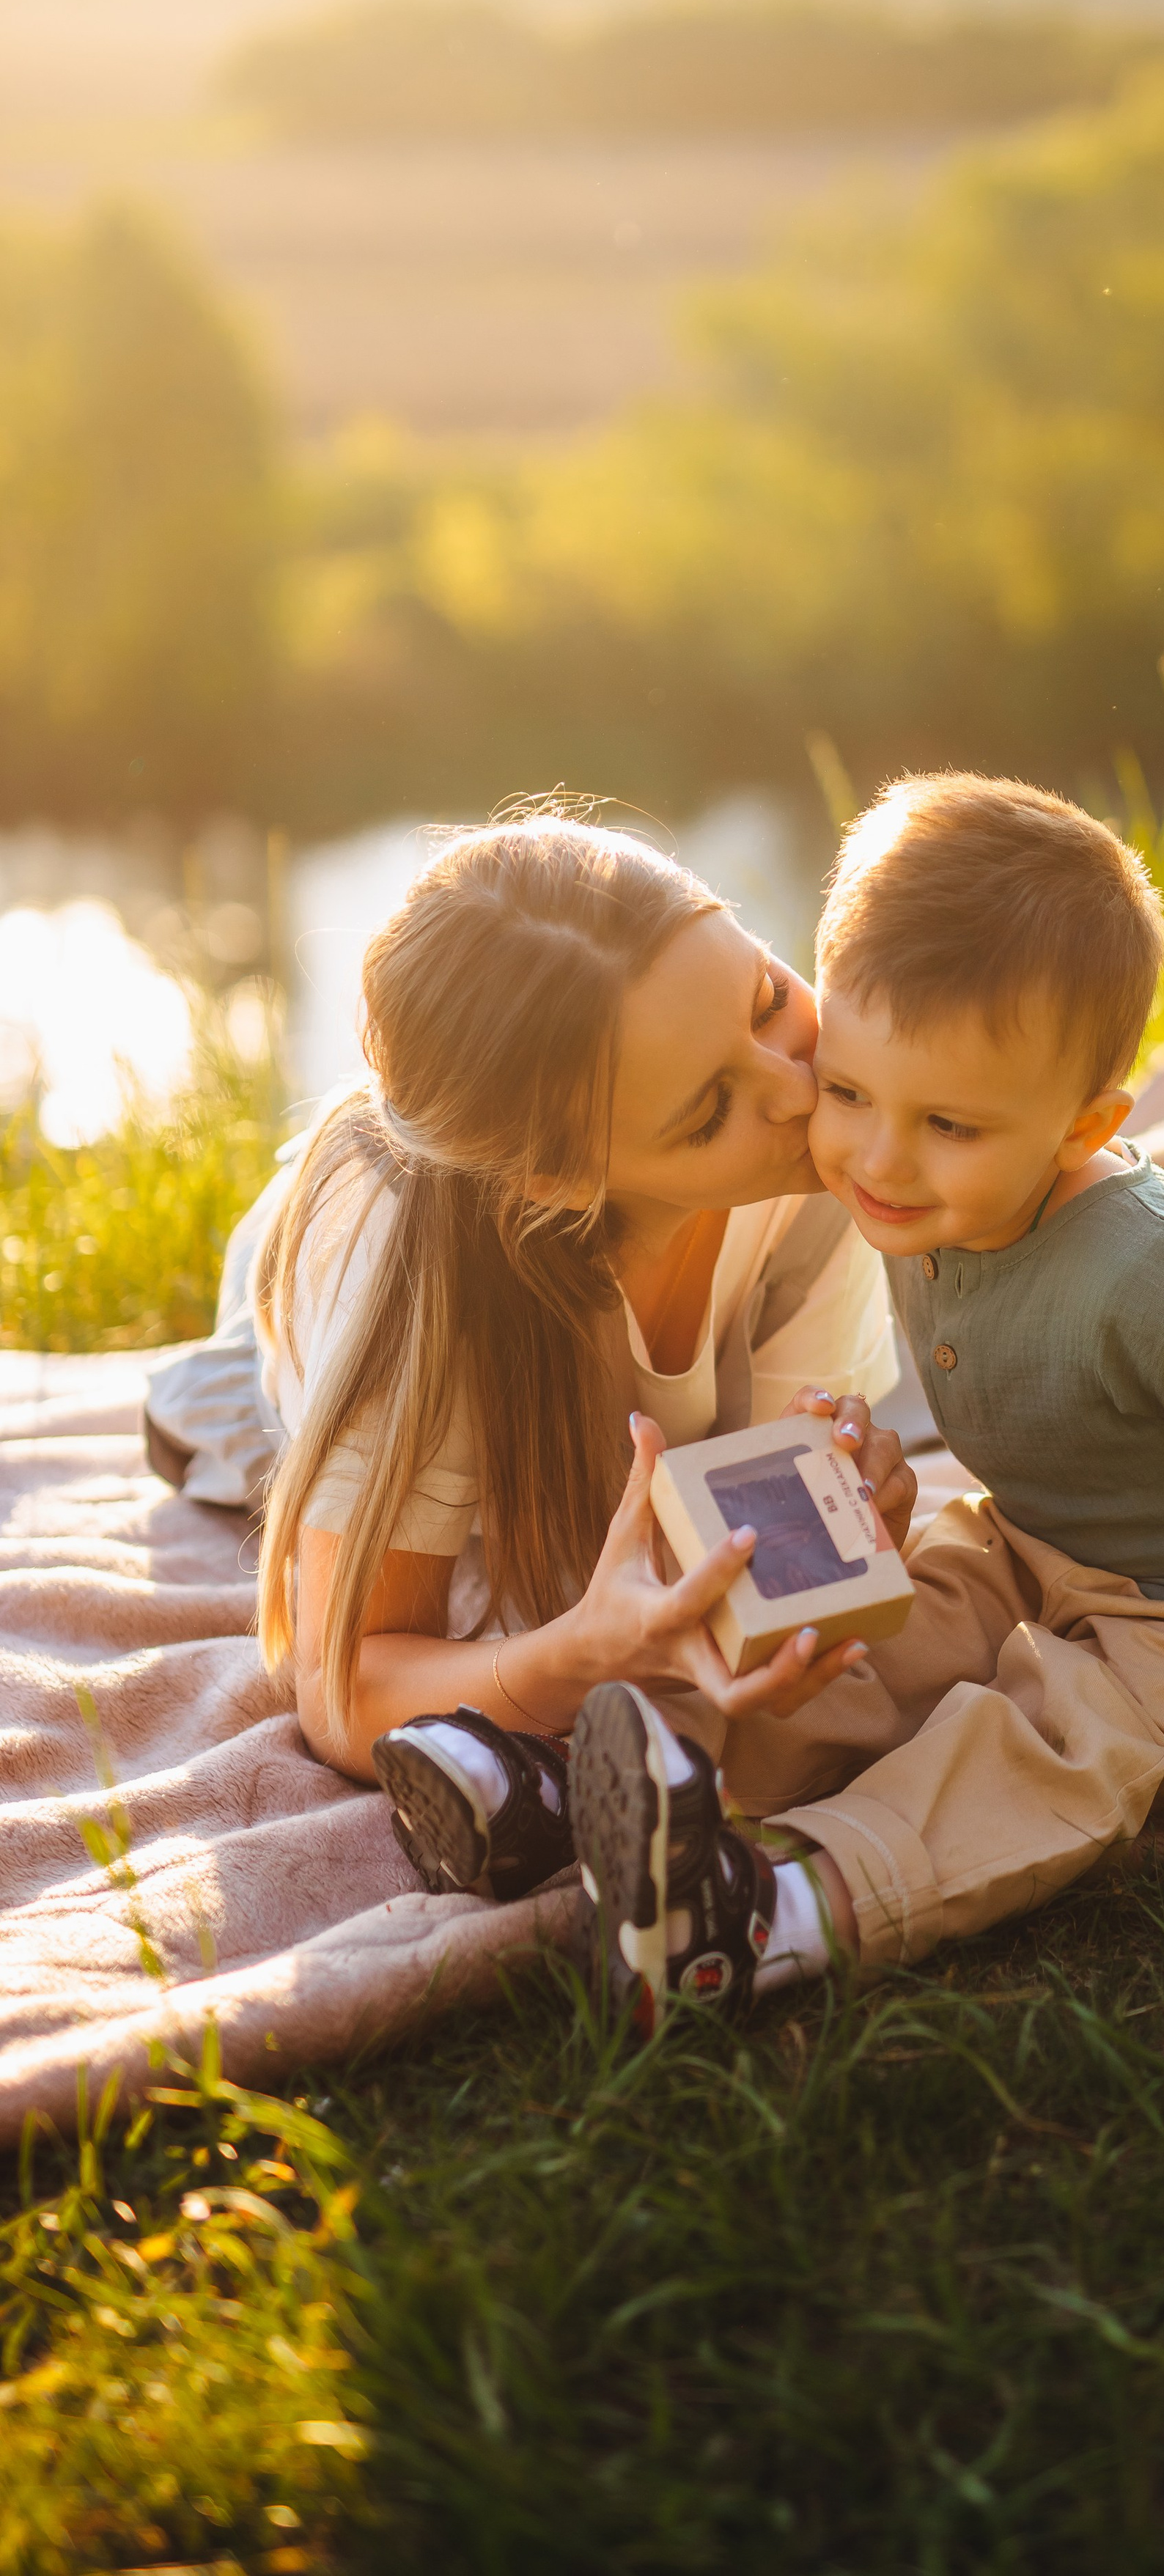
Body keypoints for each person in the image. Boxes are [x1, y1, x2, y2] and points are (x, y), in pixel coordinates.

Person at [569, 774, 1164, 2022]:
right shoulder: (913, 1196)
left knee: (1051, 1737)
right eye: (851, 1094)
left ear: (1085, 1128)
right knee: (872, 1636)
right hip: (1034, 1546)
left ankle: (771, 1918)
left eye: (949, 1126)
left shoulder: (1163, 1276)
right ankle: (612, 1786)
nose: (877, 1158)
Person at [155, 812, 918, 2009]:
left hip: (533, 1303)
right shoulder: (408, 1277)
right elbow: (344, 1685)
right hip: (334, 1310)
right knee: (235, 1440)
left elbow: (766, 1506)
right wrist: (574, 1656)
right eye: (709, 1109)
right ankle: (203, 1393)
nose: (797, 1086)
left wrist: (851, 1515)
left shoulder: (812, 1171)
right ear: (564, 1178)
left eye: (768, 997)